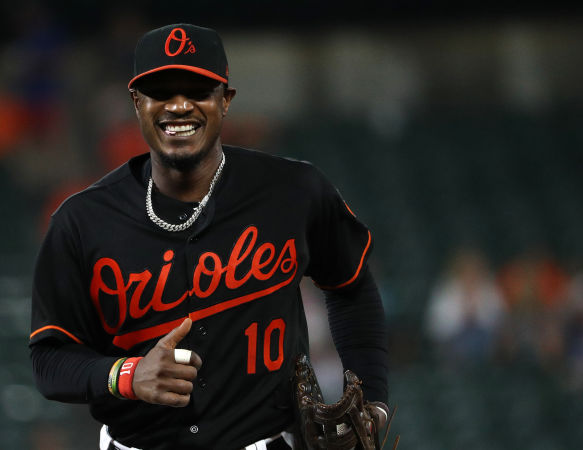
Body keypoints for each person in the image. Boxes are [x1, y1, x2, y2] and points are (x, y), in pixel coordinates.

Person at [30, 23, 389, 449]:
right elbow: (49, 360)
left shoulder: (293, 191)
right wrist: (125, 375)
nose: (179, 106)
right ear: (137, 102)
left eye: (198, 91)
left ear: (225, 99)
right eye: (161, 92)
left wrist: (372, 400)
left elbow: (351, 287)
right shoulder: (81, 222)